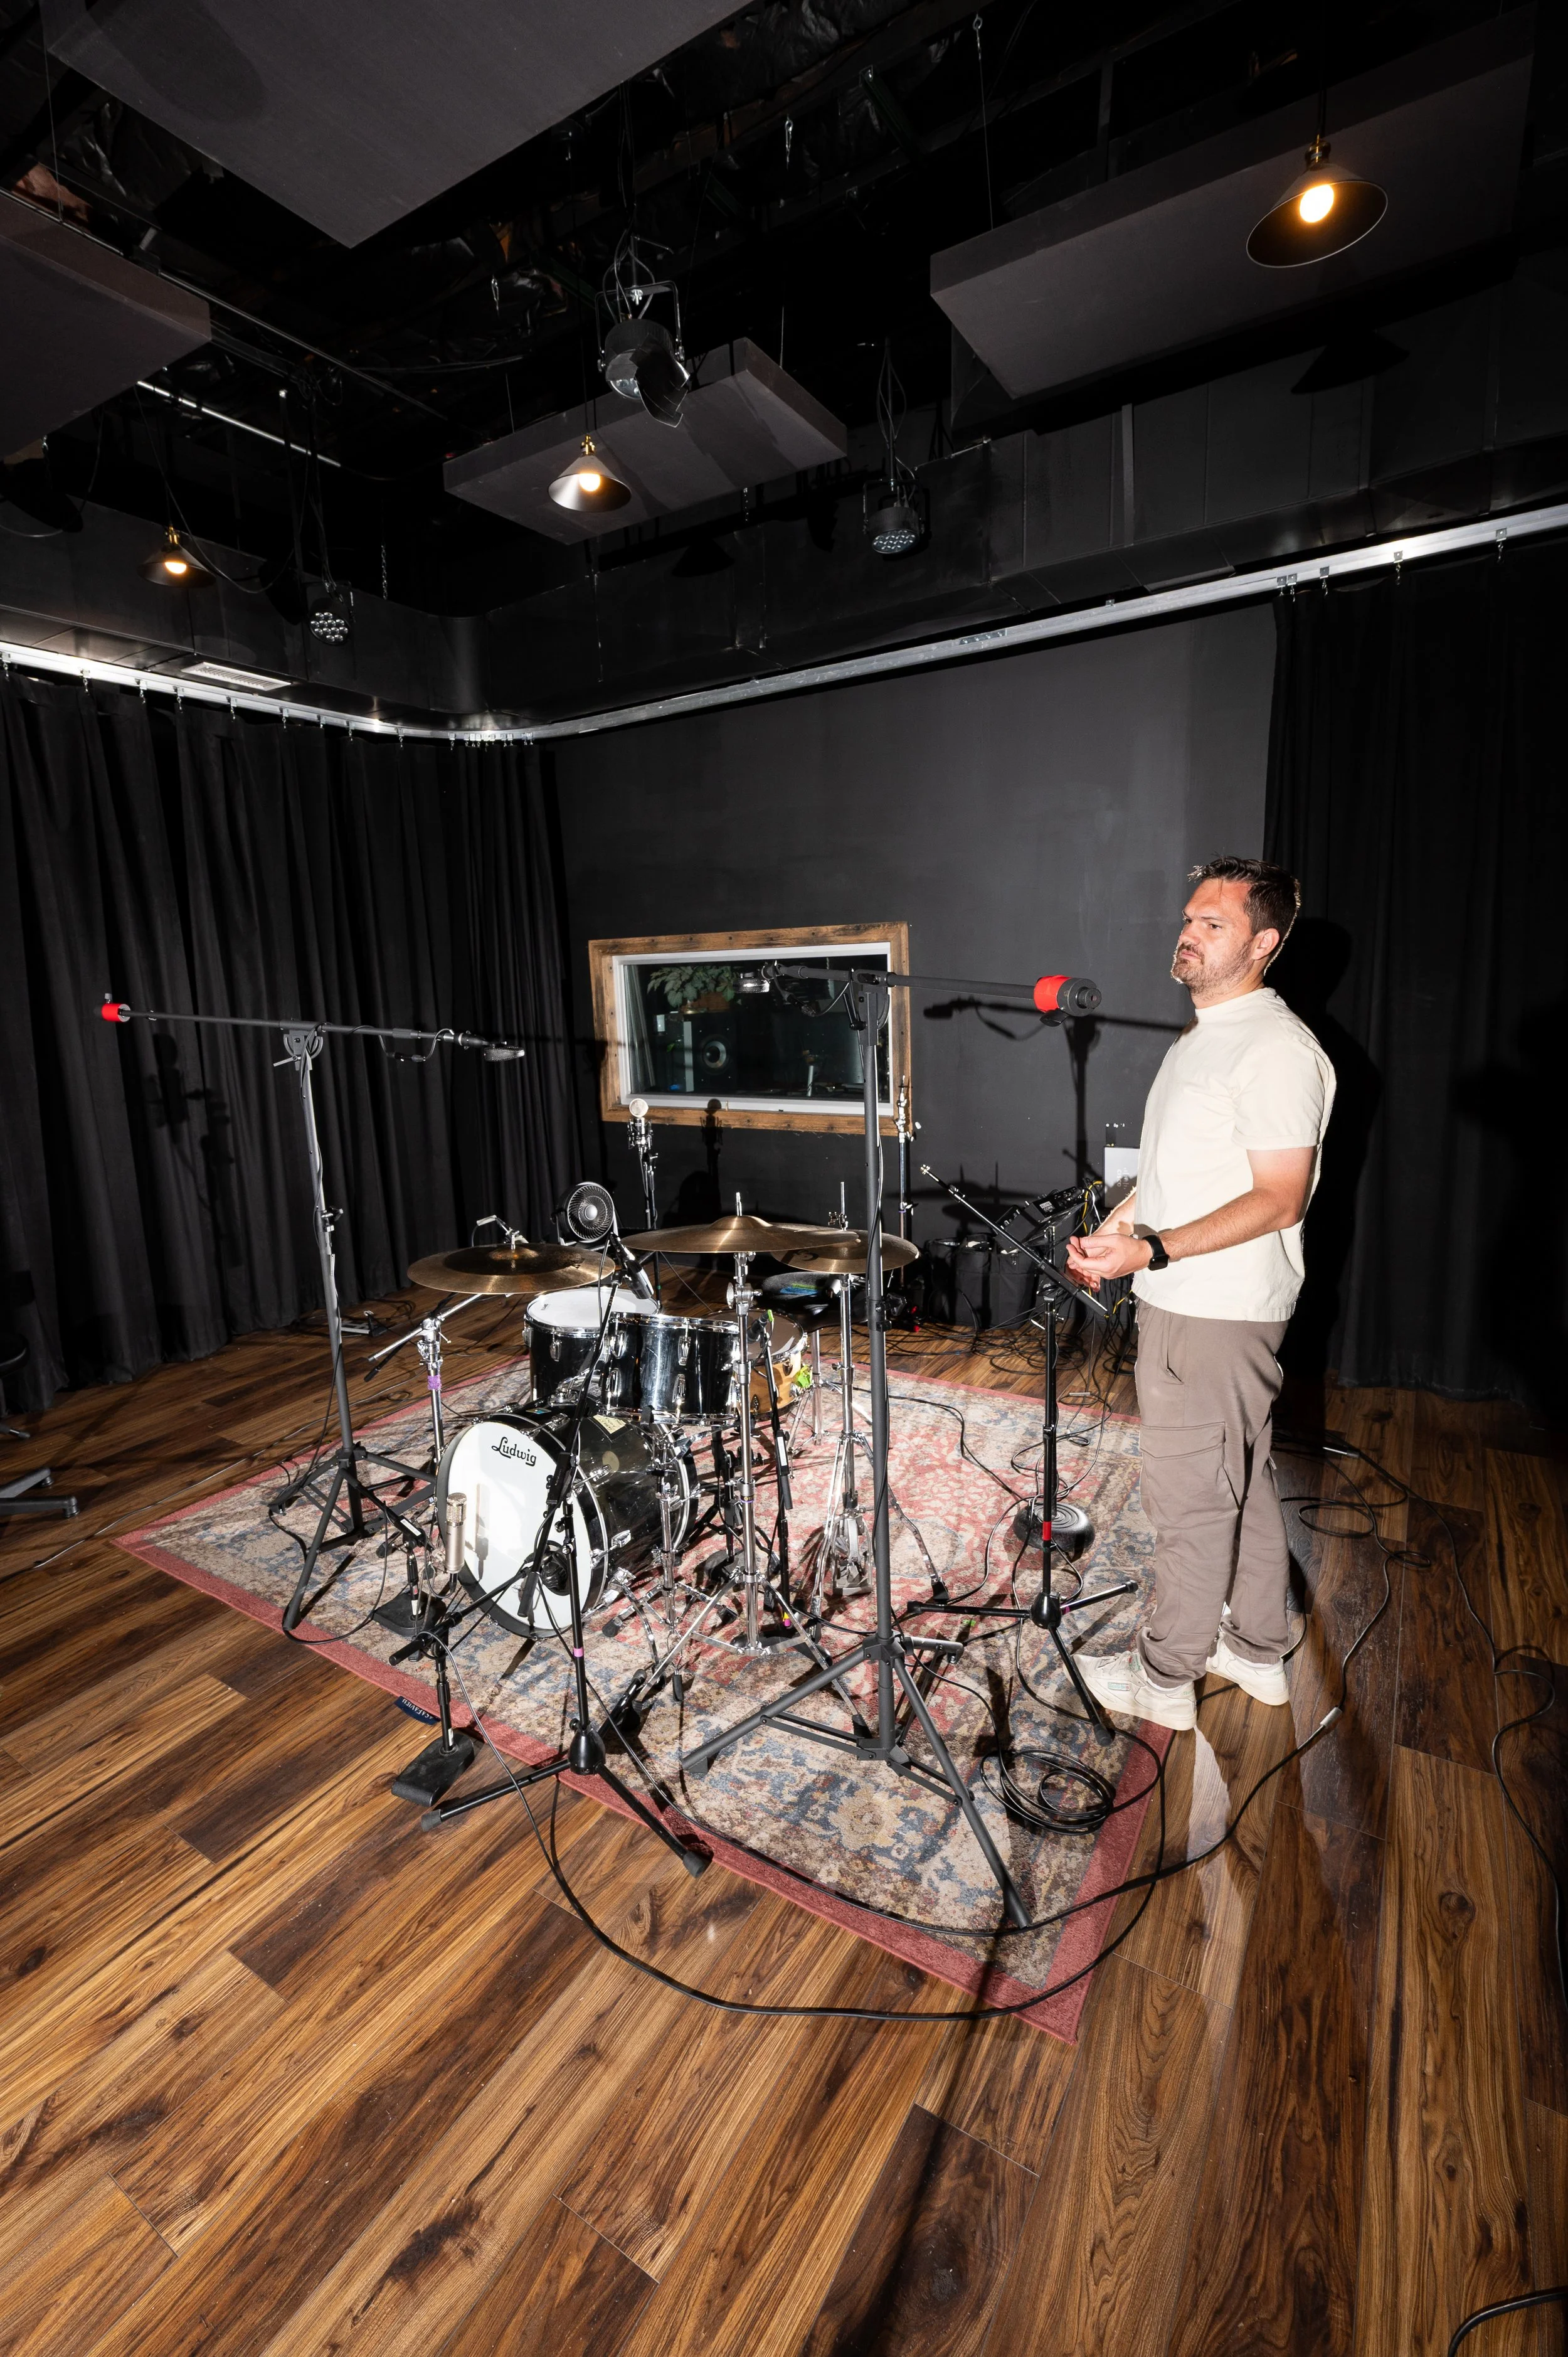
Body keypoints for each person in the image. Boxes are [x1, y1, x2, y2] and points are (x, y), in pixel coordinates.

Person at [1064, 856, 1335, 1733]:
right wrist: (1124, 1223)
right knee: (1243, 1480)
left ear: (1265, 942)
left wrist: (1154, 1250)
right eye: (1189, 918)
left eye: (1212, 923)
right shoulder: (1209, 1037)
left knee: (1188, 1500)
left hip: (1214, 1310)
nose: (1189, 933)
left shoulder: (1277, 1049)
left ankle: (1165, 1675)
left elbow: (1279, 1198)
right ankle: (1258, 1647)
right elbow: (1183, 1173)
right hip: (1197, 1296)